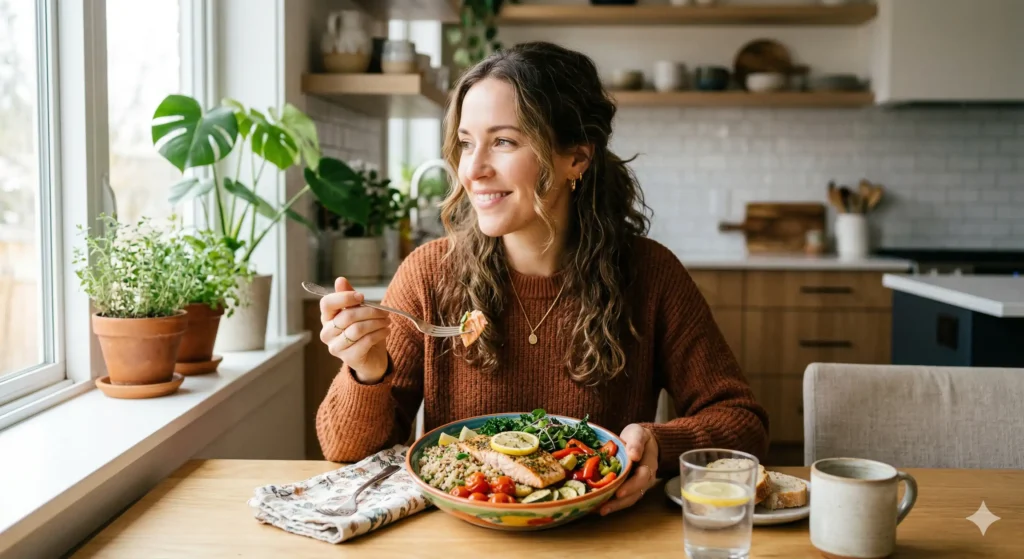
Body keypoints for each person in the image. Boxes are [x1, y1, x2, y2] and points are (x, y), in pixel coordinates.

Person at [315, 41, 769, 516]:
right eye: (466, 143)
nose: (473, 169)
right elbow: (346, 451)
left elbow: (744, 424)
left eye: (504, 142)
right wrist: (366, 370)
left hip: (604, 536)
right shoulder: (429, 275)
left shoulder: (650, 275)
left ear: (577, 157)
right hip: (463, 538)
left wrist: (659, 442)